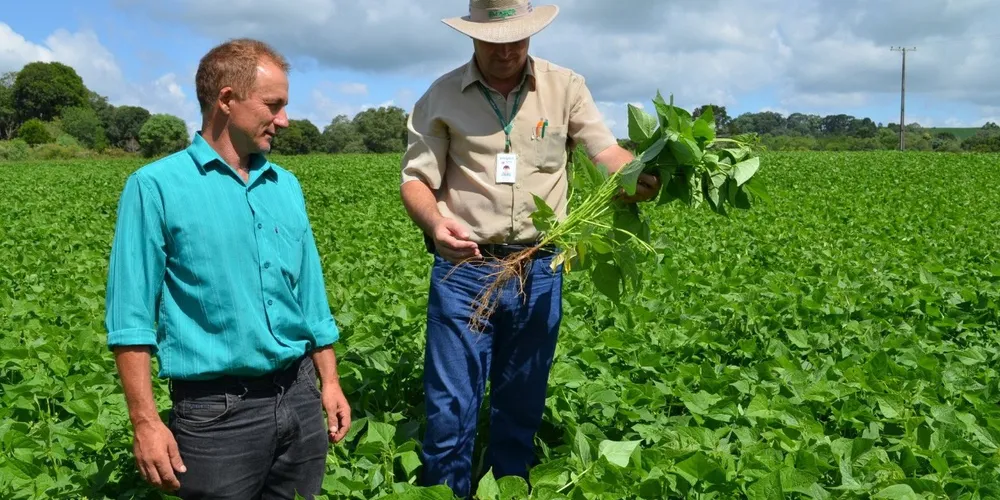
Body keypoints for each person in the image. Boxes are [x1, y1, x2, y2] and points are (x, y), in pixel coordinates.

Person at [399, 1, 660, 497]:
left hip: (539, 266)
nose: (506, 51)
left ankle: (510, 486)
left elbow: (604, 151)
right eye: (493, 41)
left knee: (522, 399)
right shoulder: (441, 96)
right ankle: (445, 490)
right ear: (472, 35)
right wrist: (435, 222)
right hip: (465, 267)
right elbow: (416, 180)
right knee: (451, 406)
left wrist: (634, 175)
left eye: (516, 39)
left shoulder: (566, 87)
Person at [104, 38, 350, 499]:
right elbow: (130, 318)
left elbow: (311, 296)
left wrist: (330, 381)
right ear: (227, 99)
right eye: (273, 105)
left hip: (299, 397)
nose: (284, 120)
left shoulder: (285, 185)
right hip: (217, 417)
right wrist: (145, 421)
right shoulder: (155, 187)